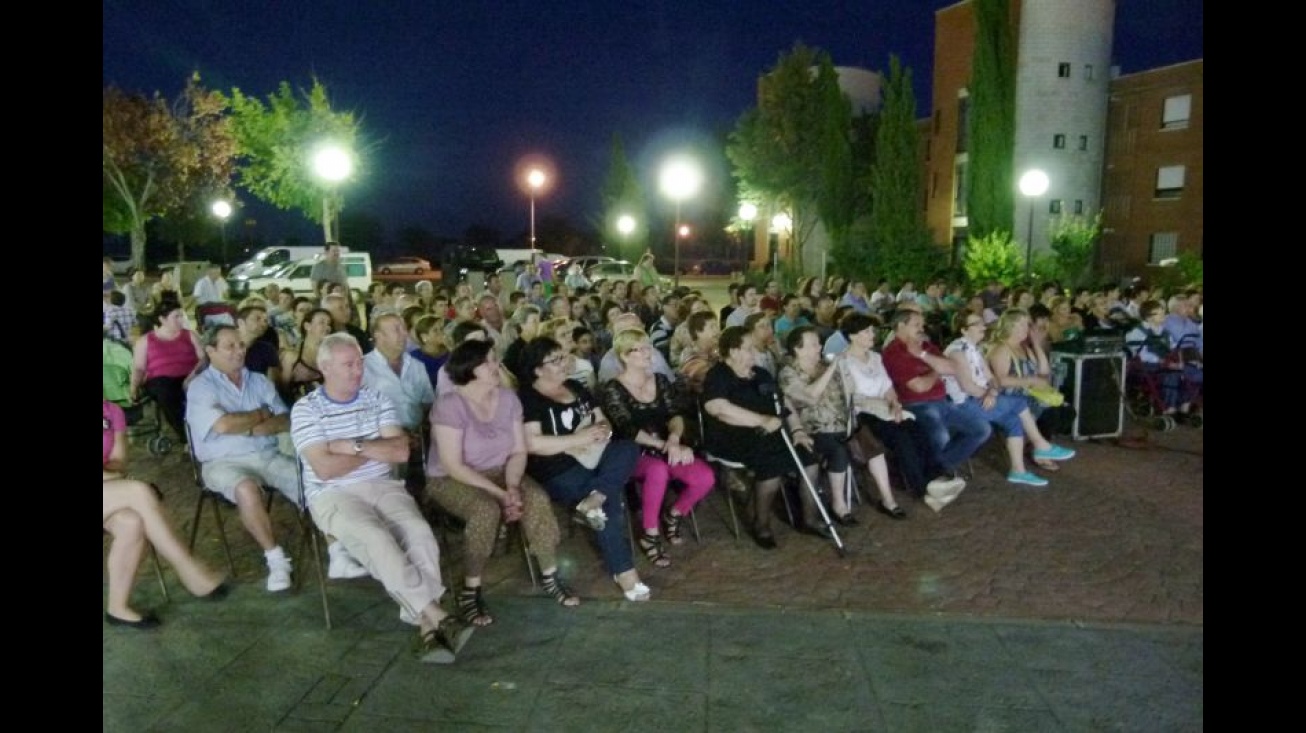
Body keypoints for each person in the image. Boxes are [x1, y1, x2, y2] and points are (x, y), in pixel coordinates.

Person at [292, 333, 474, 663]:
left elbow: (401, 451)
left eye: (360, 361)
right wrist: (376, 449)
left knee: (419, 533)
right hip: (332, 495)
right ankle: (437, 614)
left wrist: (354, 446)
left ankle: (428, 629)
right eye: (348, 364)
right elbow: (325, 468)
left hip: (382, 485)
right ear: (325, 367)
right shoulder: (306, 409)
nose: (357, 369)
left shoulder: (376, 399)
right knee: (376, 539)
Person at [186, 325, 364, 590]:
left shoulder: (258, 381)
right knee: (246, 489)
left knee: (312, 480)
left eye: (241, 345)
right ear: (210, 351)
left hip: (267, 455)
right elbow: (222, 425)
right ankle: (276, 559)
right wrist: (260, 415)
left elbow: (284, 420)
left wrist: (244, 426)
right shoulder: (200, 387)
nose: (239, 351)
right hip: (221, 462)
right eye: (230, 346)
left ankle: (337, 553)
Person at [424, 339, 581, 626]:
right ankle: (471, 588)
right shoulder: (450, 405)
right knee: (486, 510)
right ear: (469, 369)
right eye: (488, 362)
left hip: (500, 470)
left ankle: (550, 572)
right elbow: (453, 465)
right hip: (451, 479)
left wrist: (511, 487)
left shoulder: (508, 399)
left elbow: (519, 450)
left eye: (495, 360)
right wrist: (500, 494)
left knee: (535, 498)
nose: (496, 366)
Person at [517, 336, 650, 601]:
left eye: (564, 356)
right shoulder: (529, 397)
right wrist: (578, 439)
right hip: (557, 466)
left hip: (594, 455)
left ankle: (595, 497)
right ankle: (625, 572)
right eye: (555, 360)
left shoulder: (576, 387)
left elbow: (603, 421)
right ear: (537, 369)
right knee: (608, 504)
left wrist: (602, 431)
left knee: (628, 449)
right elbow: (532, 443)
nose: (564, 363)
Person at [103, 397, 230, 628]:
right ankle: (188, 569)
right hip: (111, 488)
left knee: (131, 522)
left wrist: (110, 476)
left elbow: (119, 462)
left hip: (108, 490)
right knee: (138, 491)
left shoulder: (112, 412)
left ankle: (117, 607)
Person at [599, 329, 716, 568]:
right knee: (658, 471)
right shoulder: (613, 388)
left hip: (666, 445)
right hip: (632, 451)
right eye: (638, 349)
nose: (646, 353)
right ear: (624, 356)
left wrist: (674, 440)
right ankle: (650, 535)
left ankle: (673, 515)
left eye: (647, 347)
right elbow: (627, 428)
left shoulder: (660, 380)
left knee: (705, 477)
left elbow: (675, 414)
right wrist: (663, 445)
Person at [702, 326, 822, 549]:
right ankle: (761, 524)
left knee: (809, 458)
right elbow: (717, 408)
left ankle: (810, 519)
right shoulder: (718, 375)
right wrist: (761, 420)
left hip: (769, 432)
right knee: (772, 466)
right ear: (734, 351)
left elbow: (783, 403)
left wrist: (797, 430)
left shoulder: (761, 374)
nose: (754, 352)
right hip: (731, 437)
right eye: (748, 348)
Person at [837, 313, 963, 515]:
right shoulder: (843, 362)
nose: (873, 334)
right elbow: (851, 397)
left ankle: (935, 478)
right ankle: (922, 488)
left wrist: (895, 404)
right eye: (867, 331)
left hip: (885, 408)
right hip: (863, 413)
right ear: (853, 336)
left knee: (917, 429)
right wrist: (883, 405)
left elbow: (888, 386)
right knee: (900, 437)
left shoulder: (876, 358)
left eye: (872, 330)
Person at [941, 311, 1076, 487]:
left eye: (982, 322)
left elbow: (991, 379)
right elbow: (967, 386)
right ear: (964, 330)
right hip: (960, 404)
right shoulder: (956, 352)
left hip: (979, 398)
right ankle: (1041, 445)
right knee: (1019, 403)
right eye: (977, 324)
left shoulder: (974, 348)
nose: (983, 326)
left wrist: (992, 392)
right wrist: (987, 393)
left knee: (1014, 420)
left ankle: (1018, 470)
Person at [881, 309, 991, 510]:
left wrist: (922, 355)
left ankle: (933, 472)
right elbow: (919, 386)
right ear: (900, 326)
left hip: (942, 401)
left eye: (922, 325)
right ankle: (937, 477)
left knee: (981, 429)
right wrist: (936, 371)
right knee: (940, 435)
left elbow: (952, 368)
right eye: (916, 325)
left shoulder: (925, 346)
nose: (921, 329)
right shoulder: (893, 353)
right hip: (915, 405)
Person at [777, 326, 860, 527]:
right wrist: (833, 367)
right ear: (798, 349)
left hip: (841, 425)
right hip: (811, 429)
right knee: (837, 448)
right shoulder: (788, 373)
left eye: (819, 343)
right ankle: (838, 506)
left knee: (859, 441)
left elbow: (851, 393)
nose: (820, 347)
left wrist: (845, 370)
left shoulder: (825, 365)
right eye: (814, 344)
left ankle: (839, 504)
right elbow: (810, 396)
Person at [985, 308, 1078, 444]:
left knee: (1066, 411)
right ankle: (1038, 447)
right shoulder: (1001, 349)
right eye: (1023, 324)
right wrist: (1029, 380)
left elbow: (1044, 372)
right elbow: (1000, 380)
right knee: (1052, 414)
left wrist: (1036, 344)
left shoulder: (1024, 348)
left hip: (1029, 394)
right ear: (1011, 326)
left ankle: (1038, 446)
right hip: (1010, 397)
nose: (1027, 328)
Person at [130, 297, 205, 445]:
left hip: (190, 375)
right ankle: (187, 437)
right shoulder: (146, 340)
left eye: (181, 316)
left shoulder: (190, 335)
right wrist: (134, 387)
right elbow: (139, 367)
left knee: (200, 391)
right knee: (167, 393)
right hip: (161, 380)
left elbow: (203, 359)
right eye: (176, 317)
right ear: (162, 319)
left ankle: (205, 430)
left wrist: (192, 375)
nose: (181, 320)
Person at [280, 307, 333, 402]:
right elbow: (281, 391)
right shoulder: (291, 357)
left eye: (329, 324)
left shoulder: (332, 356)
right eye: (322, 322)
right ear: (307, 326)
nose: (327, 327)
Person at [409, 314, 450, 391]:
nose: (441, 333)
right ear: (424, 337)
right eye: (435, 330)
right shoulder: (415, 358)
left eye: (441, 329)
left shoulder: (450, 352)